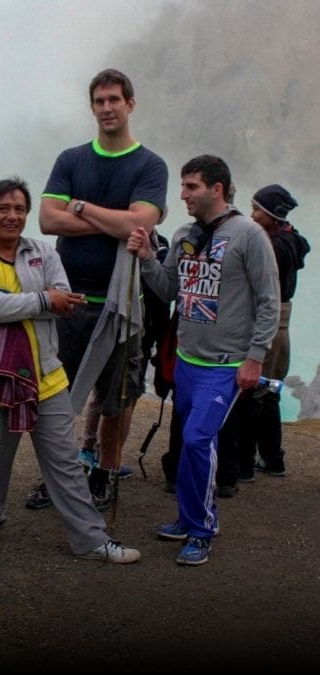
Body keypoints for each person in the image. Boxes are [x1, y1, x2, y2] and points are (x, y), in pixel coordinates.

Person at [0, 176, 140, 563]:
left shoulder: (43, 252)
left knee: (65, 461)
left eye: (19, 209)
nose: (12, 216)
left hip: (45, 374)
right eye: (3, 208)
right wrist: (43, 300)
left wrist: (27, 302)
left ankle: (91, 540)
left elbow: (64, 297)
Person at [127, 154, 280, 566]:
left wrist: (255, 359)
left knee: (197, 441)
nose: (183, 194)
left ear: (217, 188)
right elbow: (169, 289)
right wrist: (146, 258)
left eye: (191, 186)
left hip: (227, 364)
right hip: (187, 360)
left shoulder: (249, 235)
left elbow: (268, 301)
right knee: (189, 445)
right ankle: (187, 516)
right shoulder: (183, 234)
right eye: (182, 186)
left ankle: (201, 530)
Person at [30, 68, 169, 511]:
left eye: (114, 99)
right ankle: (59, 477)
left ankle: (105, 474)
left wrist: (82, 207)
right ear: (92, 107)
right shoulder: (72, 159)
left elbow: (142, 223)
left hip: (122, 303)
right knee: (55, 397)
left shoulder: (149, 165)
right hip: (68, 300)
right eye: (99, 101)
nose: (107, 108)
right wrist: (116, 221)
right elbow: (47, 220)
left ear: (130, 103)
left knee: (117, 399)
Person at [236, 184, 310, 479]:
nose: (252, 215)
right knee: (269, 393)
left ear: (273, 214)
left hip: (267, 321)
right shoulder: (291, 241)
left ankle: (242, 465)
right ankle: (272, 458)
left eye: (257, 210)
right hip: (282, 324)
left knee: (253, 393)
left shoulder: (272, 247)